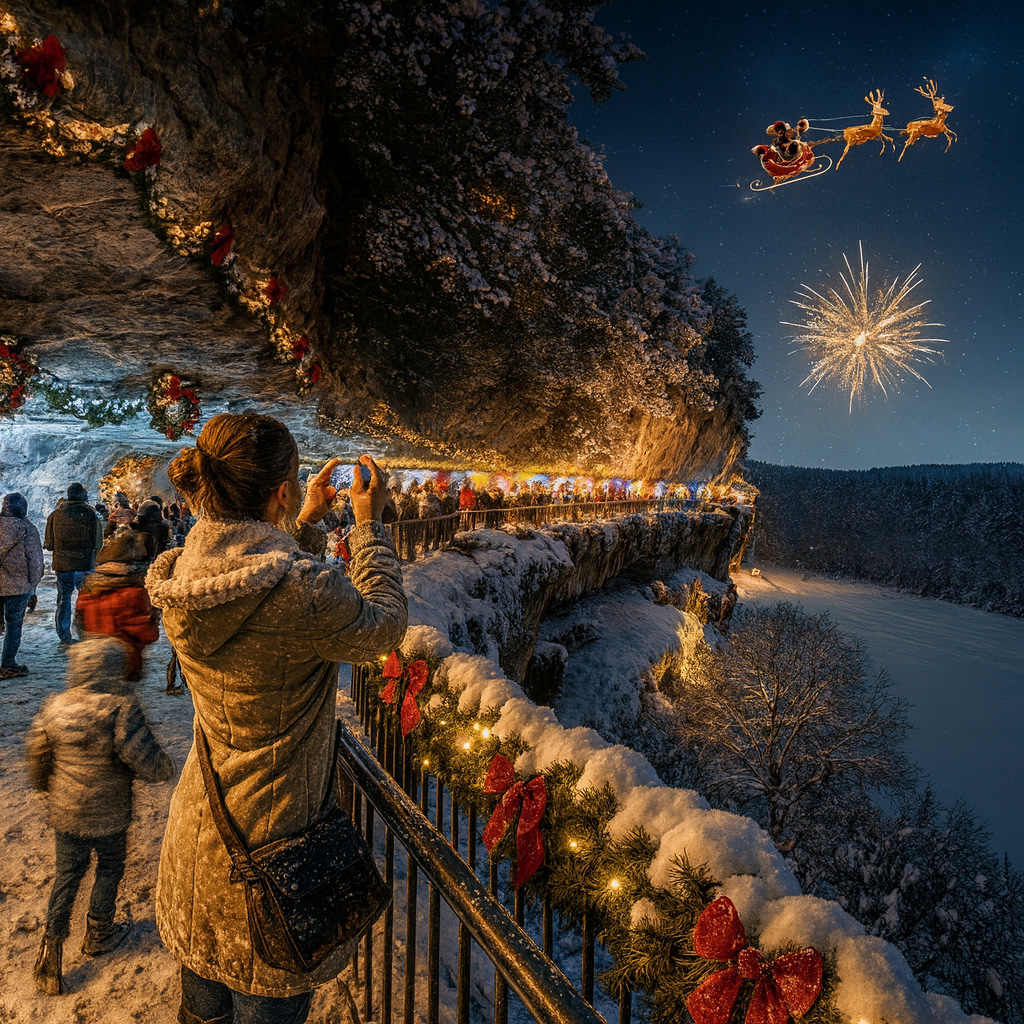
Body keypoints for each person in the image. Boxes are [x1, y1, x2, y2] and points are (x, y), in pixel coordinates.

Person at [145, 412, 407, 1023]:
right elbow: (384, 625)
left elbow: (267, 582)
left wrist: (306, 523)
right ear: (282, 491)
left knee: (201, 1011)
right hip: (273, 857)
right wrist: (367, 529)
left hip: (200, 837)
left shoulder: (188, 572)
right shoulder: (303, 594)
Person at [26, 636, 176, 995]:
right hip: (109, 812)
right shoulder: (120, 707)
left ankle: (51, 946)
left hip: (66, 814)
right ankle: (99, 932)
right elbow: (142, 756)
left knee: (67, 875)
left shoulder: (54, 707)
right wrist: (163, 768)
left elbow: (38, 757)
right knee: (109, 867)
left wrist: (49, 787)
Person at [75, 531, 161, 685]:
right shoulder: (133, 593)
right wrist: (154, 618)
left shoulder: (89, 588)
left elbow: (80, 623)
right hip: (125, 666)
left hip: (91, 662)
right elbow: (148, 634)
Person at [44, 483, 103, 646]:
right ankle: (87, 631)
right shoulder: (90, 514)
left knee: (63, 600)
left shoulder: (55, 515)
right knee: (86, 599)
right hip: (85, 564)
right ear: (82, 496)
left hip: (62, 566)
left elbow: (48, 544)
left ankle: (65, 637)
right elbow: (98, 542)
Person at [1, 492, 44, 679]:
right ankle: (8, 665)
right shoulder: (27, 528)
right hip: (17, 587)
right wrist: (33, 586)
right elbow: (35, 561)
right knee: (13, 625)